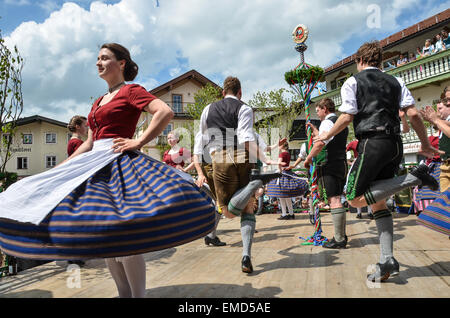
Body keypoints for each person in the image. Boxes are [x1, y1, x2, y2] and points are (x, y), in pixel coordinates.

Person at [0, 43, 216, 298]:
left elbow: (165, 111)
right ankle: (124, 294)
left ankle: (138, 296)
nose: (98, 62)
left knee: (125, 234)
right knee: (109, 240)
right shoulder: (99, 101)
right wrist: (61, 167)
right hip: (95, 163)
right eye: (98, 58)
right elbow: (90, 142)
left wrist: (138, 141)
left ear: (121, 63)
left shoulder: (131, 90)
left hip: (120, 162)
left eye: (104, 58)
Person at [314, 41, 440, 282]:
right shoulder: (396, 81)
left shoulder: (353, 82)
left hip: (372, 143)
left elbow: (348, 116)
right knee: (378, 204)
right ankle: (387, 260)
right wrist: (424, 144)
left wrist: (326, 134)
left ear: (359, 61)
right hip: (395, 145)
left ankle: (414, 177)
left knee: (352, 196)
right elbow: (412, 114)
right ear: (380, 61)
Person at [193, 76, 280, 274]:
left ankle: (253, 185)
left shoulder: (208, 109)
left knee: (227, 212)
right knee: (248, 207)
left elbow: (203, 137)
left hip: (220, 157)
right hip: (244, 157)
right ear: (240, 93)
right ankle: (246, 255)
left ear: (223, 92)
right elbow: (246, 138)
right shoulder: (245, 108)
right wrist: (266, 160)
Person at [304, 98, 349, 249]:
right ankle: (341, 234)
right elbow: (328, 137)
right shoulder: (337, 121)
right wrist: (315, 130)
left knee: (334, 200)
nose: (317, 114)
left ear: (325, 108)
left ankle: (339, 238)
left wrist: (308, 158)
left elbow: (321, 143)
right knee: (337, 199)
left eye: (318, 110)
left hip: (330, 164)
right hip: (340, 163)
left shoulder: (327, 122)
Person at [417, 91, 450, 236]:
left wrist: (435, 121)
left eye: (441, 107)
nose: (447, 103)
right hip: (445, 165)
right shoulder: (445, 121)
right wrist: (434, 120)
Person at [66, 115, 89, 267]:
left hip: (75, 180)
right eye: (85, 125)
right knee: (79, 218)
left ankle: (73, 253)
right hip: (80, 181)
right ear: (78, 127)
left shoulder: (71, 142)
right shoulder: (78, 143)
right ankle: (75, 254)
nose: (87, 128)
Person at [266, 141, 309, 220]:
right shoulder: (288, 154)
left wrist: (279, 170)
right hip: (288, 173)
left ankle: (284, 214)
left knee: (281, 196)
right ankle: (291, 213)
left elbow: (279, 163)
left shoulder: (282, 154)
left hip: (282, 174)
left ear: (282, 146)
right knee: (287, 196)